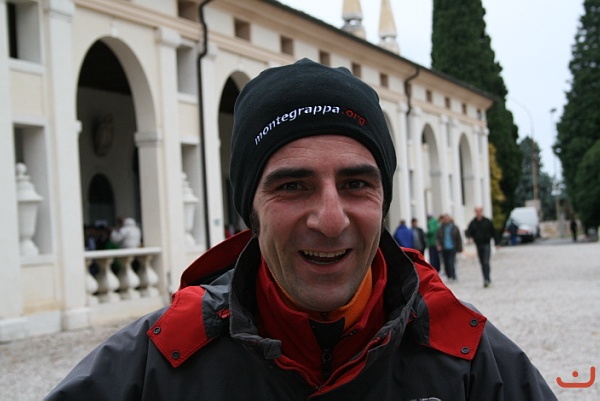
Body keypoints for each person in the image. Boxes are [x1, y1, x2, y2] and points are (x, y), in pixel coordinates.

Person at [45, 59, 556, 400]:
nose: (331, 220)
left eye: (356, 183)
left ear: (384, 200)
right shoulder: (154, 367)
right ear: (251, 209)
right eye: (293, 186)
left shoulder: (473, 365)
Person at [465, 206, 499, 287]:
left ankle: (487, 278)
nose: (478, 213)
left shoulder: (487, 221)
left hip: (486, 243)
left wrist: (497, 243)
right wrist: (469, 237)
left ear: (482, 212)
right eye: (477, 211)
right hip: (478, 244)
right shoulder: (473, 222)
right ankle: (485, 278)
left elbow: (493, 232)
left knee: (486, 261)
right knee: (482, 262)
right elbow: (468, 231)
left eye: (479, 211)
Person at [436, 213, 463, 281]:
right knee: (446, 263)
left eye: (447, 219)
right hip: (444, 248)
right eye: (445, 219)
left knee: (451, 262)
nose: (446, 220)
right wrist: (438, 245)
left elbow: (459, 238)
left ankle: (453, 276)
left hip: (452, 247)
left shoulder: (454, 227)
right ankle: (449, 276)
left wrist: (460, 248)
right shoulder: (441, 228)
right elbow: (438, 238)